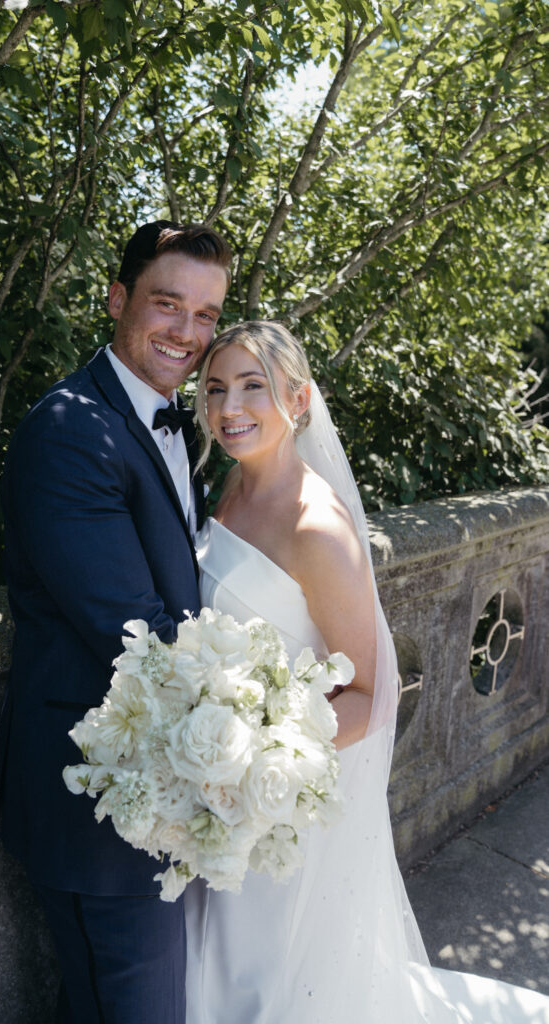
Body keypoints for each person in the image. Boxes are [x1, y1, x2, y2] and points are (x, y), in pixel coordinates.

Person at [184, 320, 549, 1023]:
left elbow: (373, 692)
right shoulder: (230, 488)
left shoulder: (315, 527)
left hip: (277, 790)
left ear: (298, 399)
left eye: (252, 386)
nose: (229, 407)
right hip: (219, 779)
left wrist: (258, 768)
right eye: (215, 388)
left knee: (270, 972)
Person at [0, 220, 231, 1024]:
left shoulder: (164, 417)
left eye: (206, 316)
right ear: (117, 299)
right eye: (169, 305)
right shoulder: (71, 429)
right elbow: (136, 632)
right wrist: (258, 721)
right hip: (97, 811)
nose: (187, 333)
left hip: (155, 796)